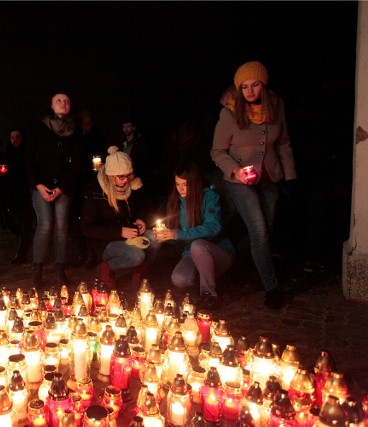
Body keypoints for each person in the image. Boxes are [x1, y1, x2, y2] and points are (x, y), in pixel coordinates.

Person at [210, 60, 298, 310]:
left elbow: (283, 143)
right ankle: (272, 288)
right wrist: (235, 170)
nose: (250, 91)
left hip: (269, 178)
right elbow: (217, 151)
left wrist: (290, 177)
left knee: (263, 232)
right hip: (241, 181)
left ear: (264, 84)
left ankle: (237, 262)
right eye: (244, 86)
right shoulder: (229, 112)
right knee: (259, 231)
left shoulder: (276, 106)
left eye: (255, 85)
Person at [155, 162, 235, 310]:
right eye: (177, 184)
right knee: (179, 279)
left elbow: (213, 227)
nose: (181, 189)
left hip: (216, 251)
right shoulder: (176, 201)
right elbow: (178, 236)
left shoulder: (209, 196)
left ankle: (209, 295)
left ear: (194, 182)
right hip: (191, 254)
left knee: (197, 245)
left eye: (185, 184)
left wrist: (177, 234)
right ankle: (206, 276)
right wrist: (165, 236)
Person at [25, 91, 84, 286]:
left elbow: (77, 163)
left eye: (67, 100)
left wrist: (62, 188)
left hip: (64, 186)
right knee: (45, 224)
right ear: (51, 105)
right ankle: (37, 270)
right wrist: (38, 185)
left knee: (61, 227)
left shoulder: (75, 130)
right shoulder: (39, 128)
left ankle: (60, 269)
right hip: (41, 184)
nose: (63, 103)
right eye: (58, 100)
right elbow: (29, 160)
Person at [80, 146, 156, 288]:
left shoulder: (131, 186)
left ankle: (140, 273)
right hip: (105, 242)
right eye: (121, 177)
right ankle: (107, 267)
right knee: (137, 255)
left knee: (155, 238)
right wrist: (119, 231)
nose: (126, 181)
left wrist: (140, 219)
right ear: (110, 175)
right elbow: (86, 228)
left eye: (129, 175)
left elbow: (142, 208)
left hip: (130, 234)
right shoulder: (95, 192)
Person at [70, 109, 107, 269]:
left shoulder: (97, 137)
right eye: (82, 123)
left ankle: (93, 255)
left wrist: (97, 168)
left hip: (93, 183)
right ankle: (82, 253)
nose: (85, 127)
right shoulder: (75, 137)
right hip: (75, 184)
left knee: (91, 219)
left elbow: (102, 157)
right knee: (75, 220)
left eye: (88, 123)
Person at [0, 128, 34, 264]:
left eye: (17, 137)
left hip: (24, 193)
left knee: (25, 223)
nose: (14, 140)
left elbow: (28, 171)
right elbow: (3, 171)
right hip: (10, 194)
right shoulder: (7, 153)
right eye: (12, 137)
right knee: (9, 221)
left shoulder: (27, 153)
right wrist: (1, 173)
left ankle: (22, 253)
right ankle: (25, 237)